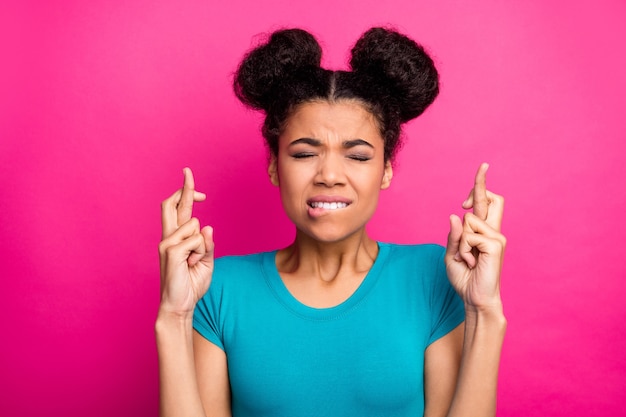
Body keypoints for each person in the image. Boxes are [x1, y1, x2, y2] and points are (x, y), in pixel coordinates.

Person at [156, 27, 506, 417]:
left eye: (357, 156)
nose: (329, 175)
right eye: (305, 154)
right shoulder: (217, 288)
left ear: (386, 170)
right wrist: (174, 317)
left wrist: (484, 311)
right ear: (274, 166)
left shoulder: (433, 276)